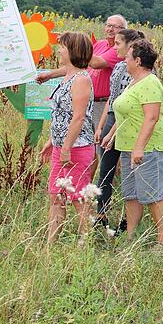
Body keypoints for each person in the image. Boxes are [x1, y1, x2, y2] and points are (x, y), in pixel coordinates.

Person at [38, 14, 127, 179]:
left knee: (103, 146)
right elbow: (78, 65)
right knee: (88, 143)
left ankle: (107, 183)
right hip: (86, 101)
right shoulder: (99, 44)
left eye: (115, 27)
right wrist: (50, 75)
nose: (110, 29)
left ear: (123, 30)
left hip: (102, 103)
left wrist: (76, 46)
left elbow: (94, 63)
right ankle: (87, 181)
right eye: (108, 25)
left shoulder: (118, 50)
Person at [102, 39, 163, 250]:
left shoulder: (150, 83)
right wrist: (112, 134)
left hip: (148, 148)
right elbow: (126, 112)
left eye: (127, 57)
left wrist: (139, 147)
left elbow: (151, 118)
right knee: (131, 194)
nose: (124, 59)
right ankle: (131, 237)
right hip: (127, 145)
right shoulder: (134, 81)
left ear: (138, 60)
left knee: (152, 195)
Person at [39, 32, 95, 246]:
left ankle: (85, 243)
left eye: (63, 47)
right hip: (61, 146)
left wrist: (66, 148)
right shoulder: (68, 76)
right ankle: (51, 243)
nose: (59, 50)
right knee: (56, 195)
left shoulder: (81, 80)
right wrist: (52, 140)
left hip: (77, 148)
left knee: (78, 197)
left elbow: (78, 117)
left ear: (73, 51)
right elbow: (61, 115)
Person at [93, 28, 145, 230]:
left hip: (127, 121)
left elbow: (129, 107)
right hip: (113, 118)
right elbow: (112, 100)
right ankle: (101, 214)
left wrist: (113, 132)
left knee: (129, 173)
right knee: (105, 170)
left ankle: (128, 219)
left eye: (117, 44)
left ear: (130, 45)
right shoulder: (118, 68)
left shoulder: (138, 71)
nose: (114, 48)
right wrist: (101, 126)